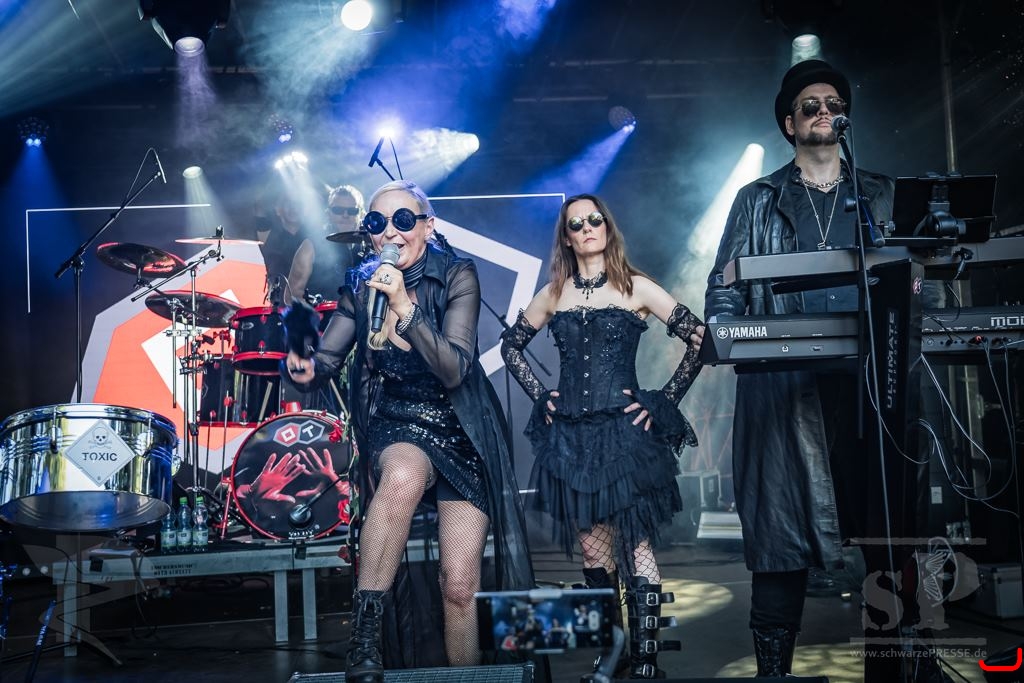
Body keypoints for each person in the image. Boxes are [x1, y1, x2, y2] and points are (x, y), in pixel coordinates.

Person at [704, 60, 947, 682]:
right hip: (788, 390)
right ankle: (774, 672)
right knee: (781, 539)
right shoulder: (757, 199)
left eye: (833, 104)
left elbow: (928, 280)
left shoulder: (881, 193)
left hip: (875, 386)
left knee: (890, 533)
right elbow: (724, 288)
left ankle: (902, 667)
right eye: (809, 105)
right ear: (789, 124)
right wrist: (729, 336)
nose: (823, 112)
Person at [284, 180, 533, 683]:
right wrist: (304, 368)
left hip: (460, 426)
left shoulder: (457, 274)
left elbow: (454, 369)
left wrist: (404, 306)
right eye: (377, 223)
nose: (390, 233)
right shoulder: (362, 285)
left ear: (427, 225)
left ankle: (465, 677)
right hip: (400, 420)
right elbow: (328, 359)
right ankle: (365, 636)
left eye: (402, 220)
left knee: (459, 586)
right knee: (401, 477)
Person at [499, 193, 705, 679]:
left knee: (636, 545)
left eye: (594, 220)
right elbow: (511, 348)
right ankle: (612, 654)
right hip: (572, 442)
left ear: (607, 227)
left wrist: (662, 401)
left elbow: (701, 340)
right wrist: (541, 396)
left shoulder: (636, 286)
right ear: (567, 238)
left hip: (625, 438)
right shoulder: (554, 293)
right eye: (576, 224)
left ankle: (647, 660)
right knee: (594, 552)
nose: (587, 228)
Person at [287, 184, 367, 304]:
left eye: (352, 211)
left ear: (361, 213)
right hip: (323, 315)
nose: (345, 215)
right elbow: (291, 295)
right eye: (338, 210)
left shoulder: (369, 247)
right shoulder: (312, 245)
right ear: (328, 213)